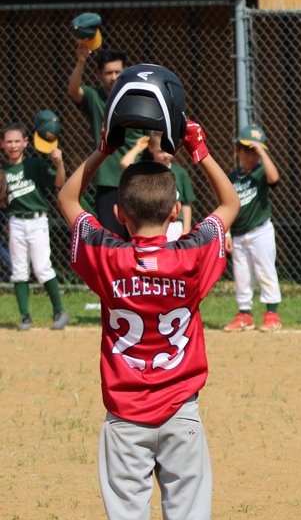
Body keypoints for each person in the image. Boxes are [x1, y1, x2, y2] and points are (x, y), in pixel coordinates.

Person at [58, 72, 236, 520]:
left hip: (125, 417)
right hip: (180, 412)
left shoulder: (107, 255)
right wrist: (199, 150)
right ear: (175, 209)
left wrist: (103, 149)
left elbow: (67, 201)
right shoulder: (192, 253)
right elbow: (230, 205)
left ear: (120, 214)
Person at [1, 121, 68, 330]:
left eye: (17, 141)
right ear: (2, 144)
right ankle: (25, 316)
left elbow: (59, 183)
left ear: (26, 142)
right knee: (19, 270)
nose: (13, 145)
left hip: (37, 221)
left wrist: (59, 163)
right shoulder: (2, 172)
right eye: (9, 141)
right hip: (15, 222)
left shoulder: (34, 165)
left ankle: (59, 310)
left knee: (42, 267)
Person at [66, 45, 136, 237]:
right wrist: (81, 61)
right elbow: (73, 91)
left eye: (118, 72)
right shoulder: (94, 97)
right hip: (107, 182)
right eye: (108, 73)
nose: (113, 77)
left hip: (135, 180)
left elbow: (150, 137)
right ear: (99, 74)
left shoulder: (134, 99)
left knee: (137, 239)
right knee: (112, 239)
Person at [223, 124, 283, 332]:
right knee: (242, 276)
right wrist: (227, 232)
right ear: (238, 151)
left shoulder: (261, 172)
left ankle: (272, 314)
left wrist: (262, 152)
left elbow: (274, 178)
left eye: (254, 151)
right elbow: (226, 205)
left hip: (260, 231)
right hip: (239, 234)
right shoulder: (232, 178)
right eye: (247, 150)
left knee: (266, 271)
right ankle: (245, 314)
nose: (251, 155)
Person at [121, 134, 196, 242]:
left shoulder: (180, 173)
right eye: (161, 151)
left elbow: (186, 204)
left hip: (174, 224)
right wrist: (138, 148)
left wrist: (186, 229)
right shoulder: (145, 170)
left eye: (169, 150)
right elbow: (125, 163)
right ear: (150, 148)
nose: (166, 155)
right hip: (148, 223)